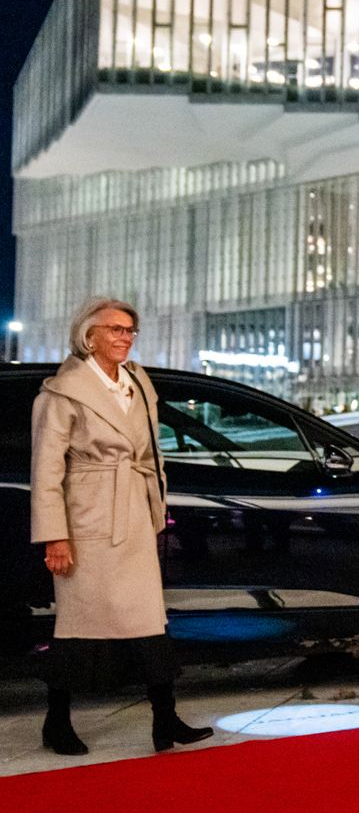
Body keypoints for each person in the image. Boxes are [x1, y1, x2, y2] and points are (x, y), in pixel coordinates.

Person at [31, 297, 213, 755]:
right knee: (77, 627)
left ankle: (164, 719)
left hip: (133, 515)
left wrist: (156, 506)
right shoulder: (61, 393)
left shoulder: (137, 382)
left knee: (150, 621)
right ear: (88, 336)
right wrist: (55, 535)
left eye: (130, 330)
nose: (124, 337)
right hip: (88, 520)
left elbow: (150, 452)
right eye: (114, 329)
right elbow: (46, 471)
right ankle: (56, 721)